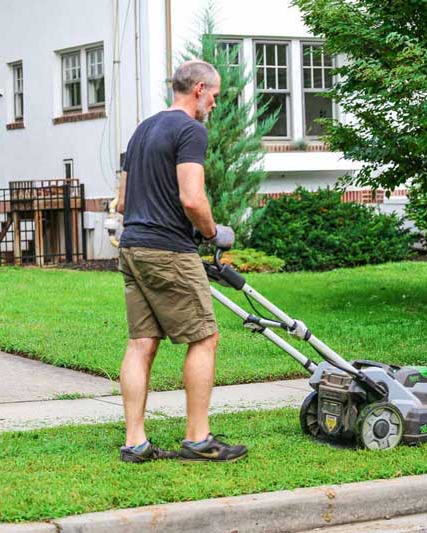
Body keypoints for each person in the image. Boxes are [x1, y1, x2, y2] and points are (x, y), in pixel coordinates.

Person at [115, 59, 247, 463]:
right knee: (204, 337)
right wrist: (212, 234)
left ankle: (135, 443)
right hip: (168, 250)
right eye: (216, 96)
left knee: (141, 344)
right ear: (200, 90)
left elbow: (121, 201)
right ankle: (198, 438)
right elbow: (192, 198)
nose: (215, 105)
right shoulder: (191, 130)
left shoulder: (142, 130)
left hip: (132, 246)